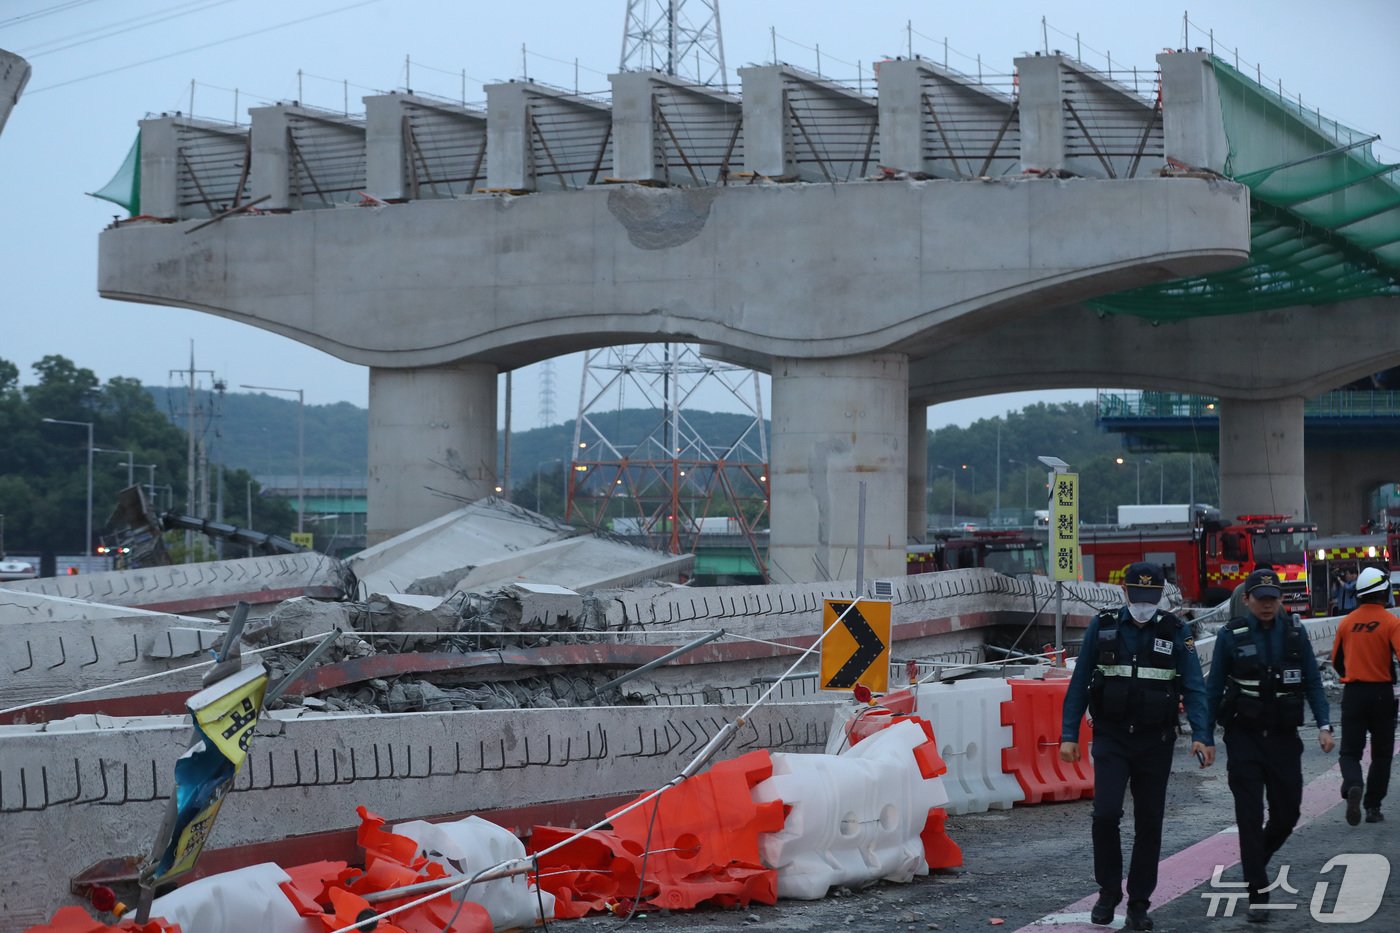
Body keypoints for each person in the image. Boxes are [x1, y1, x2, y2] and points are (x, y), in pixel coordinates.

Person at [1060, 561, 1214, 930]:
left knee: (1150, 822)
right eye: (1138, 596)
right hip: (1112, 738)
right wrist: (1068, 735)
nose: (1145, 604)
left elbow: (1194, 686)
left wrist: (1202, 735)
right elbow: (1079, 682)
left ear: (1161, 597)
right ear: (1125, 592)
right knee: (1106, 814)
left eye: (1152, 597)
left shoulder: (1177, 631)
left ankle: (1139, 902)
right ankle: (1108, 890)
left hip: (1155, 741)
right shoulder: (1104, 626)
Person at [1206, 567, 1334, 923]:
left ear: (1281, 600)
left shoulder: (1295, 633)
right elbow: (1213, 686)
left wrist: (1325, 724)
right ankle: (1257, 892)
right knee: (1249, 816)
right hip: (1243, 737)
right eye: (1260, 599)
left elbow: (1312, 681)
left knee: (1287, 813)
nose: (1266, 605)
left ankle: (1253, 863)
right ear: (1247, 600)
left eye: (1272, 599)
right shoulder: (1231, 636)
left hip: (1283, 738)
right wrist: (1204, 735)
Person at [1330, 566, 1400, 825]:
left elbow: (1336, 661)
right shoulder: (1392, 622)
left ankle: (1353, 785)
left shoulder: (1347, 623)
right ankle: (1373, 807)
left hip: (1354, 694)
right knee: (1382, 754)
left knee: (1350, 752)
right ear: (1384, 592)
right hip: (1382, 694)